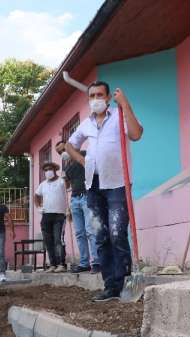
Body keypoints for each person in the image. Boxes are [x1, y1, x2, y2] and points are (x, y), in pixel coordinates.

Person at [65, 81, 143, 302]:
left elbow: (136, 134)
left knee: (117, 233)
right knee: (100, 236)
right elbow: (69, 145)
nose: (95, 99)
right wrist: (83, 160)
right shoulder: (85, 125)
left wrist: (125, 104)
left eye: (100, 95)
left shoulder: (119, 115)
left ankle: (125, 281)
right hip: (94, 186)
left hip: (118, 183)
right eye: (92, 96)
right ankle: (110, 286)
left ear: (108, 98)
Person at [56, 141, 99, 274]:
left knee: (91, 230)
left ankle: (97, 262)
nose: (62, 153)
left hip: (87, 196)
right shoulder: (67, 168)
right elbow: (68, 186)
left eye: (63, 149)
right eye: (59, 152)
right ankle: (84, 263)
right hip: (75, 199)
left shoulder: (85, 155)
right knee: (79, 233)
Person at [34, 162, 67, 273]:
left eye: (50, 169)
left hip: (59, 215)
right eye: (46, 170)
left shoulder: (61, 181)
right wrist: (38, 207)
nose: (48, 171)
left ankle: (61, 264)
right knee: (48, 241)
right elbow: (36, 195)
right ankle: (52, 264)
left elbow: (69, 186)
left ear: (54, 170)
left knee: (58, 239)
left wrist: (66, 177)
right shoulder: (43, 184)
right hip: (46, 215)